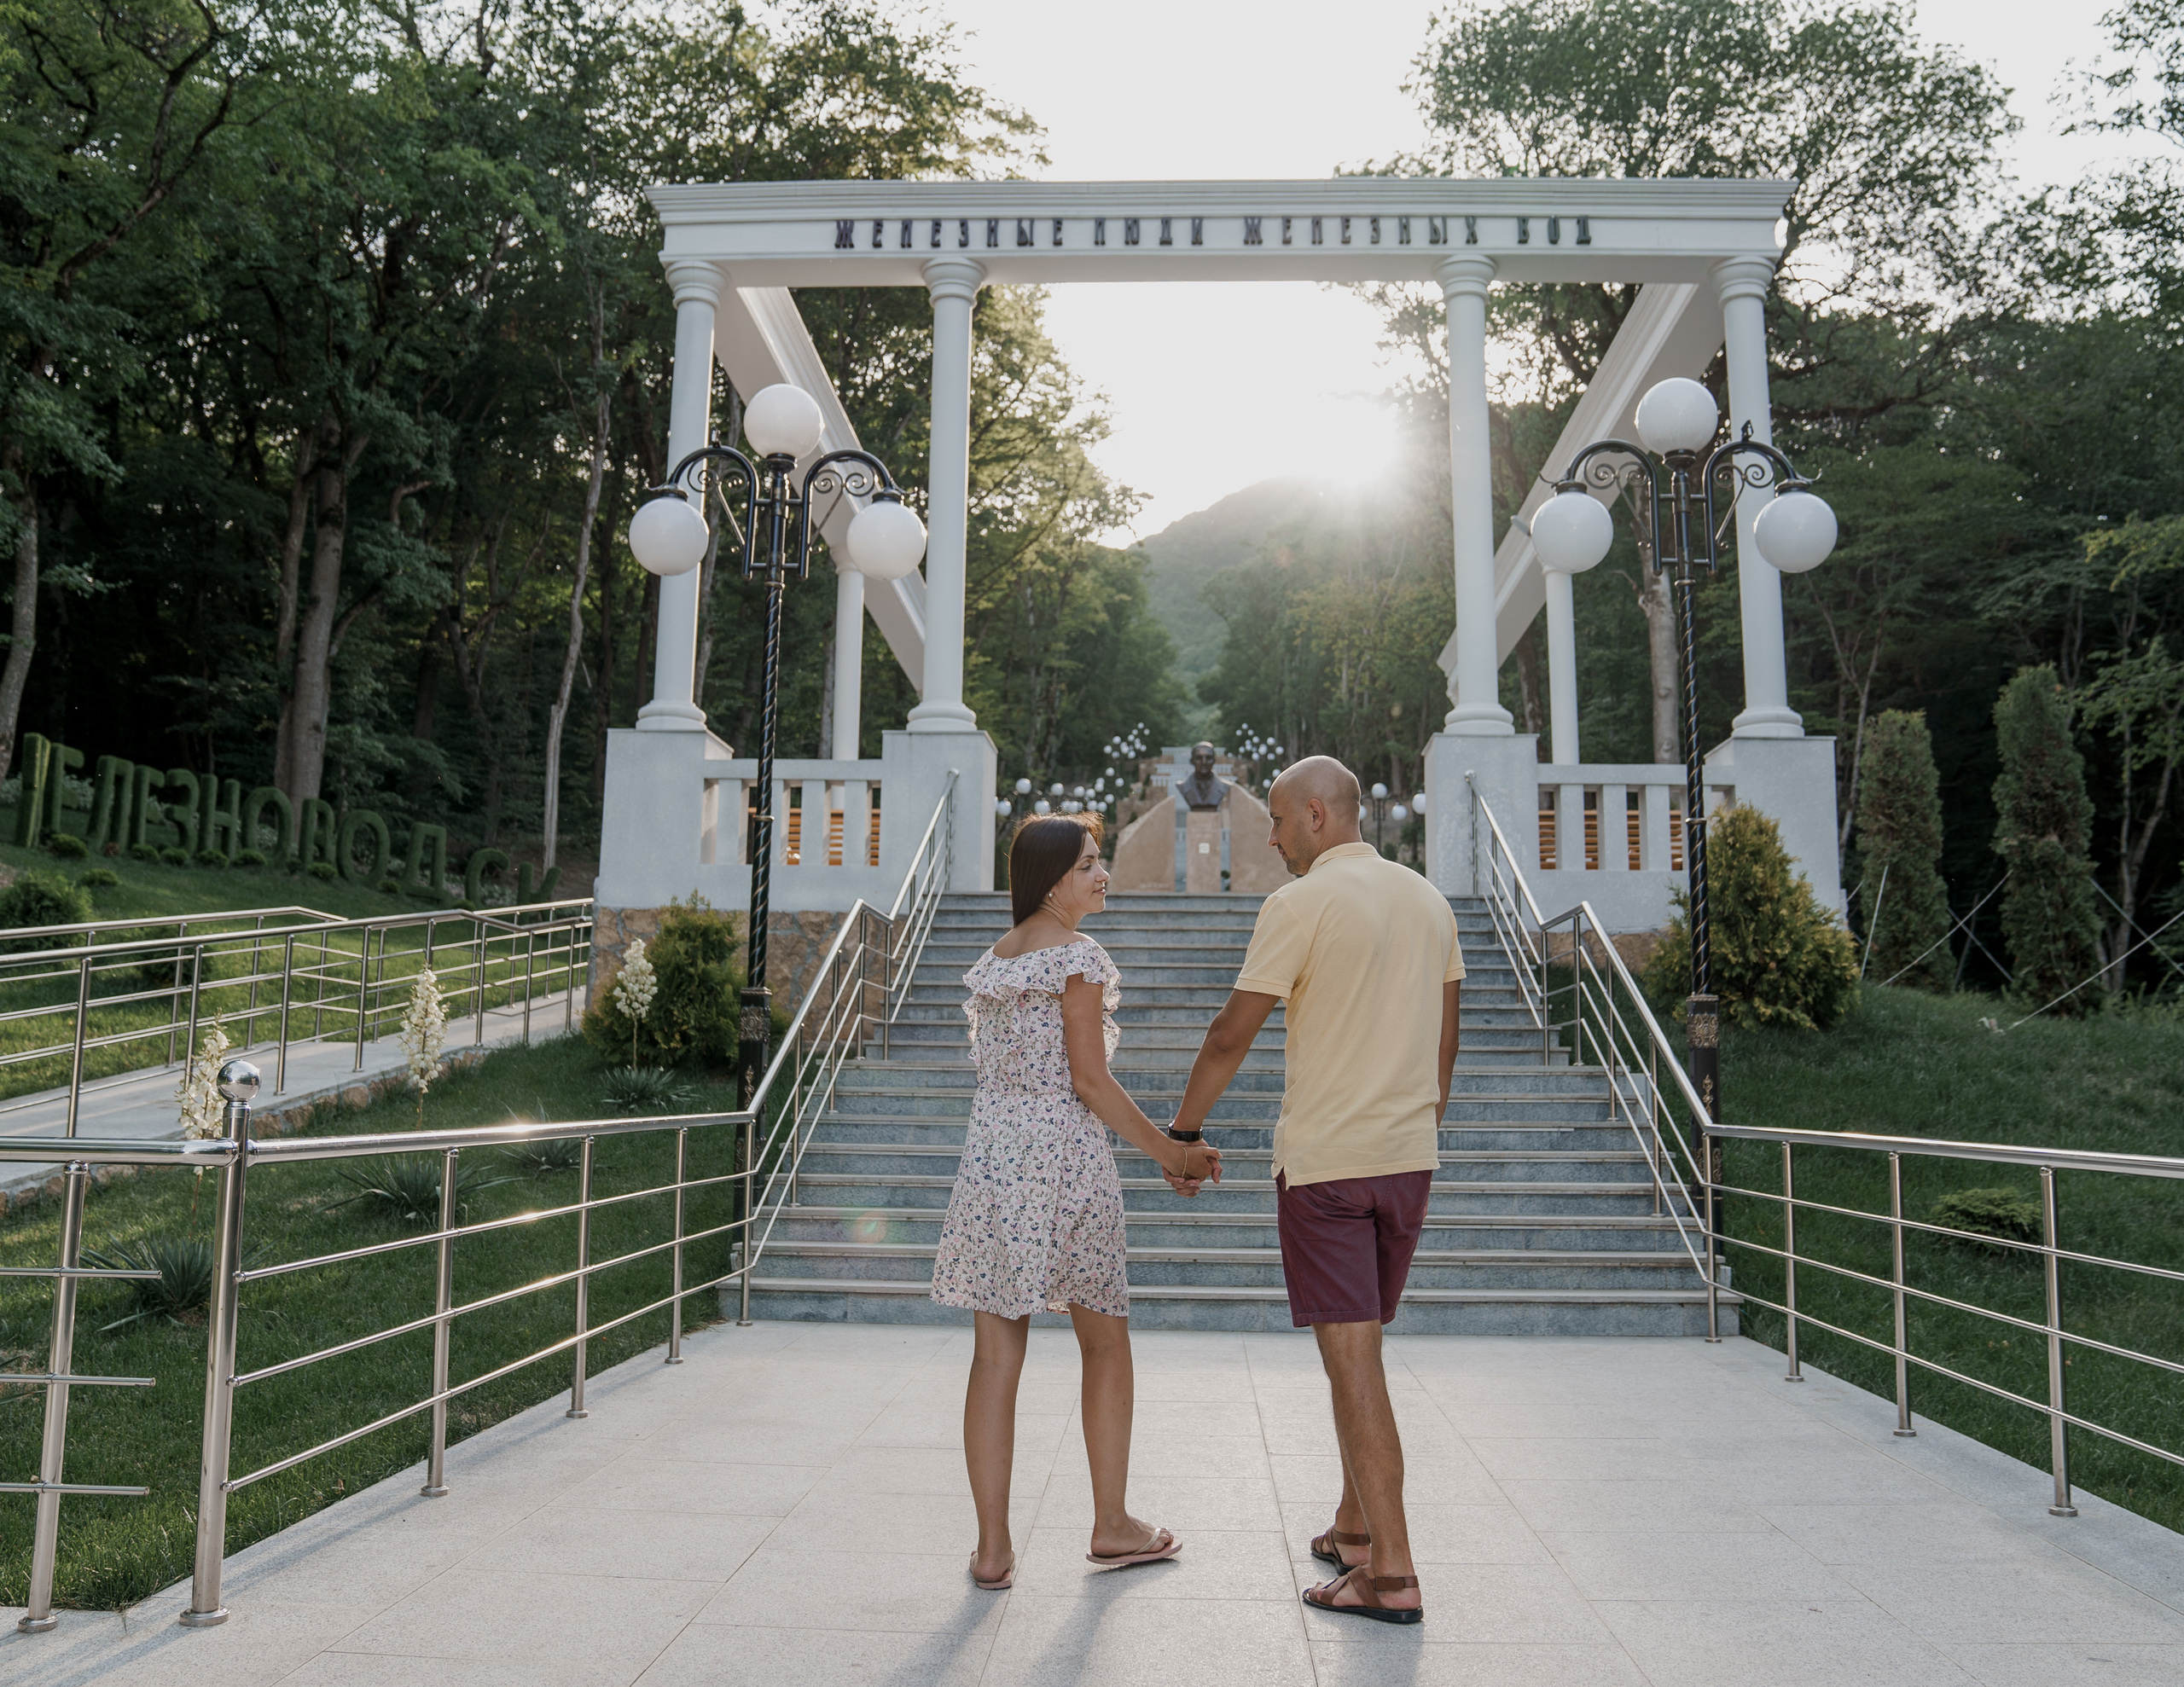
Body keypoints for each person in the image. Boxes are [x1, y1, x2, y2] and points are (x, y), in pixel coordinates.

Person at [1167, 757, 1463, 1626]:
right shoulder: (1426, 899)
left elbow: (1229, 1035)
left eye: (1277, 822)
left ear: (1315, 814)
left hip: (1329, 1166)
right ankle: (1352, 1528)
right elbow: (1445, 1037)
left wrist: (1182, 1135)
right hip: (1407, 1161)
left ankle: (1393, 1573)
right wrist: (1415, 1126)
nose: (1269, 836)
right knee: (1360, 1350)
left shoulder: (1296, 905)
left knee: (1352, 1360)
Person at [931, 812, 1222, 1591]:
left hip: (993, 1163)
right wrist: (1172, 1151)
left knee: (996, 1356)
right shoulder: (1078, 957)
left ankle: (992, 1549)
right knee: (1104, 1343)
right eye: (1090, 863)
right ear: (1053, 876)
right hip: (1065, 1166)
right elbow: (1088, 1082)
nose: (1102, 874)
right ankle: (1112, 1523)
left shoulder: (995, 961)